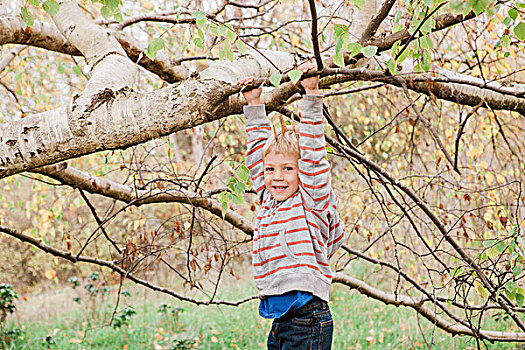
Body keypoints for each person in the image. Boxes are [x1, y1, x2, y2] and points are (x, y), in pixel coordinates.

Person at [238, 62, 346, 350]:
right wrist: (254, 104)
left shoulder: (310, 200)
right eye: (271, 170)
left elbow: (313, 156)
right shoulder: (269, 199)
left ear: (301, 173)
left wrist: (311, 96)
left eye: (287, 169)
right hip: (283, 319)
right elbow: (256, 153)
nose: (277, 177)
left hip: (307, 316)